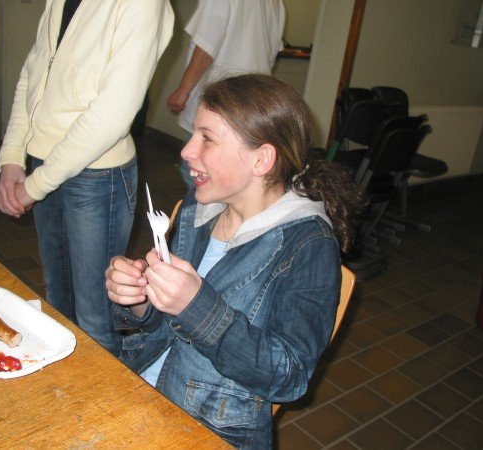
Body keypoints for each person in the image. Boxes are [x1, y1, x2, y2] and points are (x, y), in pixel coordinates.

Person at [106, 74, 365, 448]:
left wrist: (196, 307)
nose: (186, 150)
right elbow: (163, 325)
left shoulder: (309, 246)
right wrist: (140, 299)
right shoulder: (200, 208)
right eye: (193, 134)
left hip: (207, 429)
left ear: (262, 159)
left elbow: (289, 377)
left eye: (207, 139)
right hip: (139, 384)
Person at [0, 0, 174, 354]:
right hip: (46, 164)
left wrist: (35, 185)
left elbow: (113, 114)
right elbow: (33, 72)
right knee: (57, 303)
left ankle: (101, 392)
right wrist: (13, 157)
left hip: (97, 175)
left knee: (95, 322)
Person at [167, 0, 285, 188]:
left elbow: (207, 44)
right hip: (252, 102)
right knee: (231, 178)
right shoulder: (275, 3)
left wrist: (183, 90)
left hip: (219, 102)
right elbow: (271, 53)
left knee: (198, 173)